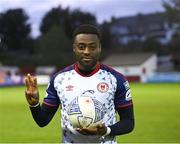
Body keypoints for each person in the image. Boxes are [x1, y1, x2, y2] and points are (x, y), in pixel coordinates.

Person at [24, 24, 135, 143]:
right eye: (81, 47)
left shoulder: (116, 79)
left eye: (92, 47)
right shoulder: (59, 79)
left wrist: (106, 130)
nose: (87, 52)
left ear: (99, 48)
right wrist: (34, 105)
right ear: (74, 48)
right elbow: (42, 121)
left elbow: (128, 122)